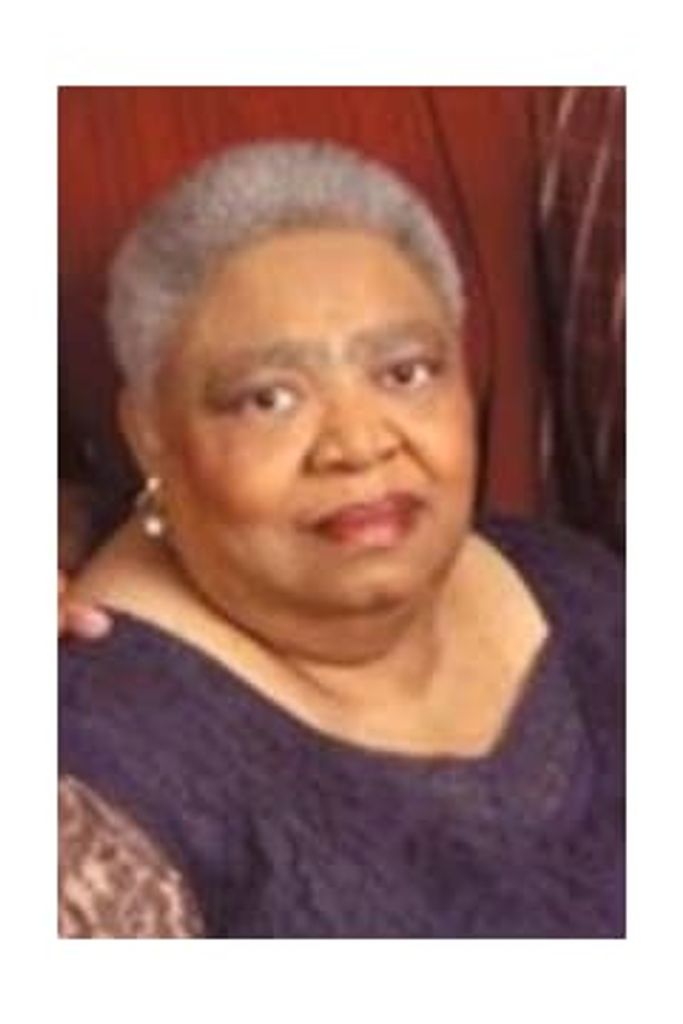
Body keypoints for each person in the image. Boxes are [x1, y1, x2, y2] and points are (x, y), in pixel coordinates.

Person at [59, 139, 624, 938]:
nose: (358, 443)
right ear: (149, 433)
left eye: (405, 373)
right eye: (269, 398)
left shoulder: (577, 585)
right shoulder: (84, 757)